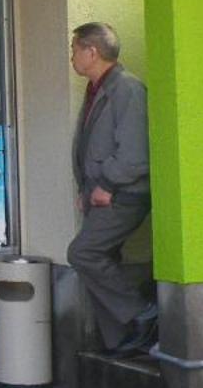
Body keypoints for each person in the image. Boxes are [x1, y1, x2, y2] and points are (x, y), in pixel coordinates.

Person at [68, 22, 158, 356]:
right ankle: (123, 339)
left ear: (92, 52)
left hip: (123, 194)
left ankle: (142, 314)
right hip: (100, 192)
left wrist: (106, 184)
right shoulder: (98, 89)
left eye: (75, 49)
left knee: (83, 253)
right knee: (105, 256)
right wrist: (85, 186)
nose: (72, 57)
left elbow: (135, 153)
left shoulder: (127, 89)